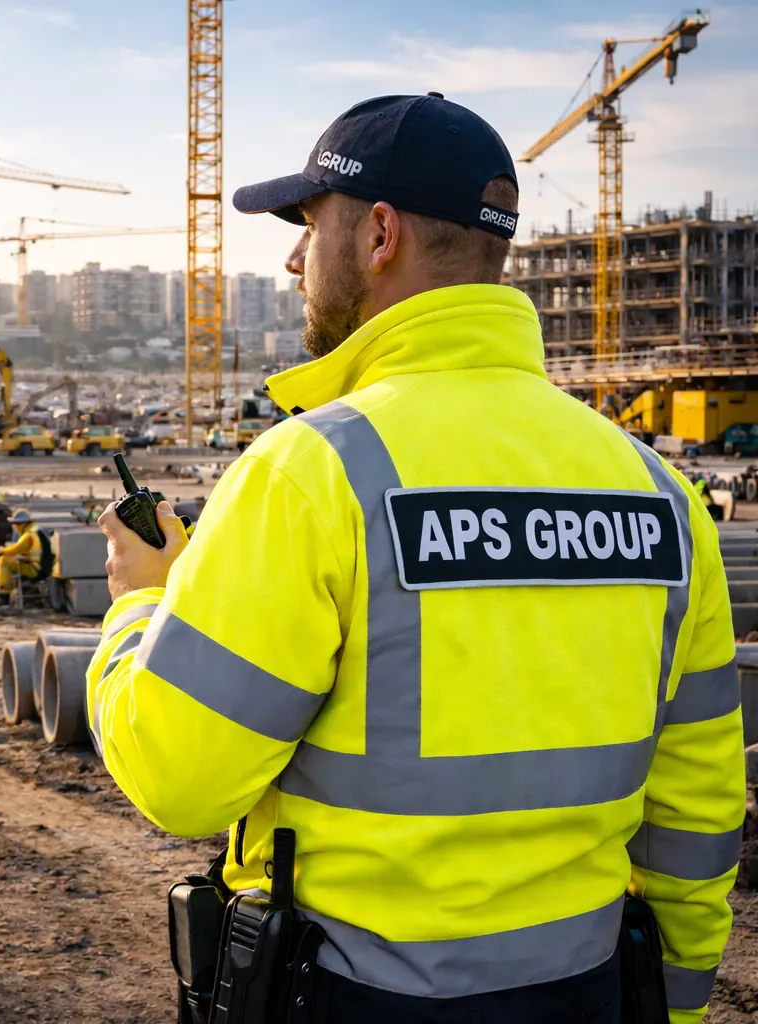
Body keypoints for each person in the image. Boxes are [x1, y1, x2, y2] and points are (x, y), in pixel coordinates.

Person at [88, 93, 742, 1024]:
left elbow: (179, 777)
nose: (291, 259)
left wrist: (139, 607)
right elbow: (700, 810)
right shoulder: (658, 492)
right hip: (589, 992)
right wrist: (670, 1008)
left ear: (378, 234)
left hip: (359, 997)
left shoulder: (314, 473)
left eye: (308, 227)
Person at [0, 509, 51, 602]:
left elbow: (16, 549)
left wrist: (0, 550)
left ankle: (4, 593)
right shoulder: (36, 529)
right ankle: (13, 589)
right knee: (12, 562)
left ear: (21, 524)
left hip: (36, 569)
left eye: (15, 524)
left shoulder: (28, 534)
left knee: (4, 560)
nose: (14, 527)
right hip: (43, 567)